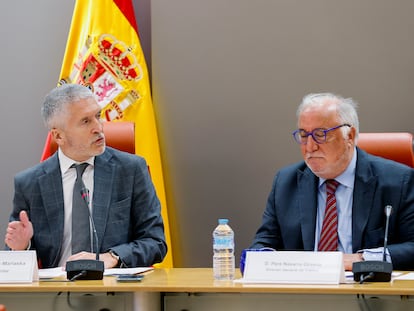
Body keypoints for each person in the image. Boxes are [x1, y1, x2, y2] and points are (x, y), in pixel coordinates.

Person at [4, 84, 167, 269]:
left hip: (114, 291)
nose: (99, 127)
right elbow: (13, 259)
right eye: (85, 121)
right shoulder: (30, 184)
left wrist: (112, 257)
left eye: (97, 116)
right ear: (58, 136)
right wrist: (21, 248)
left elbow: (156, 242)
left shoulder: (130, 170)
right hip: (55, 292)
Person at [249, 92, 414, 271]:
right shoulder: (286, 182)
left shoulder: (399, 181)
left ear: (349, 136)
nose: (310, 146)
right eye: (304, 135)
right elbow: (264, 244)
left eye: (320, 134)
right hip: (304, 291)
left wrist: (362, 258)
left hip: (369, 291)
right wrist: (264, 259)